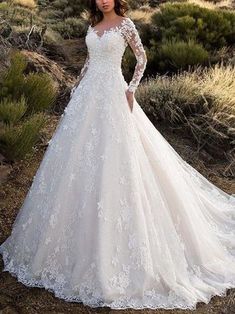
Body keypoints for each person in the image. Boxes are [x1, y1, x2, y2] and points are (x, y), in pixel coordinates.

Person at [0, 0, 235, 310]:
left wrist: (131, 89)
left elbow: (141, 57)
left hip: (113, 93)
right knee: (76, 161)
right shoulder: (92, 25)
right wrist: (77, 84)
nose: (104, 0)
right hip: (88, 97)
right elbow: (88, 61)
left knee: (119, 158)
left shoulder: (125, 24)